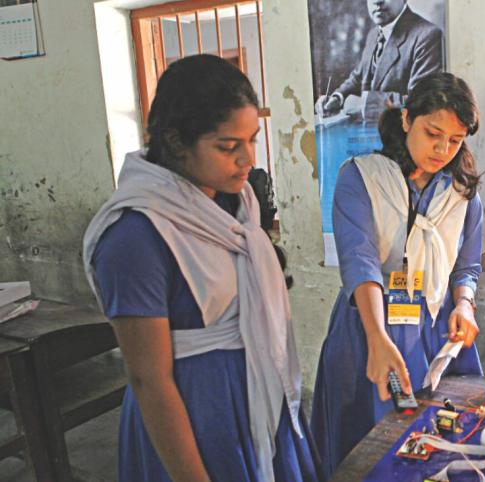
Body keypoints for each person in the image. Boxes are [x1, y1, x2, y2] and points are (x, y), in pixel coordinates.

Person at [82, 54, 319, 482]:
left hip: (258, 386)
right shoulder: (136, 236)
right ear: (175, 141)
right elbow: (149, 378)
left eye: (252, 139)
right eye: (229, 146)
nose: (247, 159)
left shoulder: (235, 204)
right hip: (197, 413)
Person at [311, 71, 484, 477]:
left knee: (443, 444)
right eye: (432, 133)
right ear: (407, 120)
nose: (442, 149)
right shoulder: (361, 177)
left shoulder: (461, 191)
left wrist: (464, 303)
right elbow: (360, 262)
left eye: (455, 140)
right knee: (370, 452)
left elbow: (467, 267)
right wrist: (376, 335)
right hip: (370, 326)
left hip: (435, 327)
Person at [316, 0, 443, 119]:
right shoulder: (373, 34)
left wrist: (365, 105)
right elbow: (358, 78)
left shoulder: (427, 35)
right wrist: (338, 97)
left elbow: (422, 101)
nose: (377, 1)